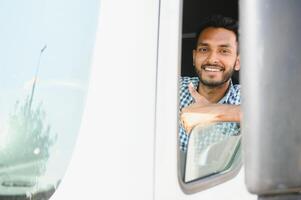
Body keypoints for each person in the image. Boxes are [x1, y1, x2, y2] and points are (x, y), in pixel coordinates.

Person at [179, 15, 241, 152]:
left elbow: (284, 118)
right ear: (194, 57)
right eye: (204, 49)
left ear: (237, 62)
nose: (212, 59)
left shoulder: (245, 99)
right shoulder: (172, 87)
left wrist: (214, 112)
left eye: (224, 51)